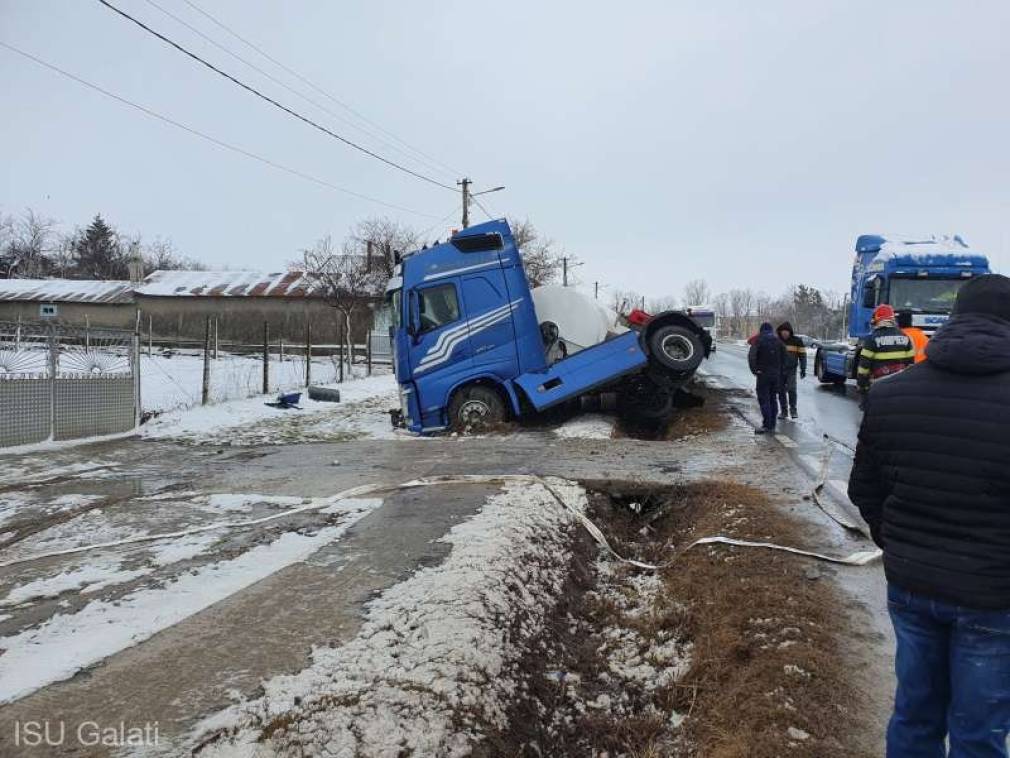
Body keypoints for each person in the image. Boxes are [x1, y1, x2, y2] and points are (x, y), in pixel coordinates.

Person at [847, 274, 1010, 757]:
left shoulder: (890, 394)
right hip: (992, 594)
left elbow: (864, 490)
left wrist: (898, 545)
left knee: (915, 715)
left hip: (912, 586)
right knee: (978, 730)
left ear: (956, 317)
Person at [856, 304, 915, 405]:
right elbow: (911, 365)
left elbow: (863, 368)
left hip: (878, 387)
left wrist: (862, 387)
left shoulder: (871, 339)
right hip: (901, 387)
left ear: (877, 319)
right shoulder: (906, 337)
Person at [747, 321, 784, 434]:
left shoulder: (758, 341)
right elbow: (785, 357)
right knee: (773, 398)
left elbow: (752, 357)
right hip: (776, 375)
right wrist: (780, 371)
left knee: (764, 399)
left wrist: (755, 371)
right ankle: (772, 424)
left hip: (763, 374)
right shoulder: (779, 341)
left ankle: (766, 425)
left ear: (761, 330)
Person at [775, 322, 807, 419]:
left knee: (791, 389)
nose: (784, 333)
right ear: (780, 332)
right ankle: (784, 411)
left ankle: (793, 409)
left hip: (791, 369)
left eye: (787, 331)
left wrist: (803, 368)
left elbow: (802, 355)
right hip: (779, 369)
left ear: (790, 332)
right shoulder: (776, 341)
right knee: (780, 391)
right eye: (783, 331)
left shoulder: (797, 341)